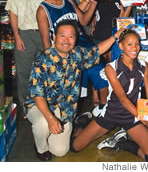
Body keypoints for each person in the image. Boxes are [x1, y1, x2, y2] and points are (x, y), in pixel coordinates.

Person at [24, 20, 125, 161]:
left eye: (71, 36)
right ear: (54, 38)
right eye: (62, 36)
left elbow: (98, 50)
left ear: (75, 39)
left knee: (60, 151)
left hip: (65, 109)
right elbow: (38, 95)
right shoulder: (42, 60)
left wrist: (117, 35)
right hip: (40, 106)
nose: (66, 40)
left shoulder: (77, 54)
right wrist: (51, 118)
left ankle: (49, 130)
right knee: (42, 124)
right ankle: (40, 148)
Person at [70, 29, 148, 162]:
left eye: (137, 44)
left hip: (132, 117)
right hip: (111, 114)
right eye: (129, 44)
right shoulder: (111, 68)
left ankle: (122, 143)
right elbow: (123, 98)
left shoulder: (144, 66)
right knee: (75, 147)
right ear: (121, 46)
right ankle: (83, 122)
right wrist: (146, 121)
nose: (135, 48)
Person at [5, 0, 48, 111]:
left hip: (45, 35)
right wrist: (17, 36)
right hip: (24, 34)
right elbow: (12, 12)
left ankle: (44, 107)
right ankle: (26, 107)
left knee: (44, 73)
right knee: (24, 74)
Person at [91, 0, 132, 116]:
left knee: (111, 68)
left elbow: (123, 18)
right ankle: (96, 97)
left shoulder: (117, 1)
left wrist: (129, 5)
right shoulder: (97, 0)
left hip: (114, 38)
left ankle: (110, 97)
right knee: (96, 68)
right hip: (99, 38)